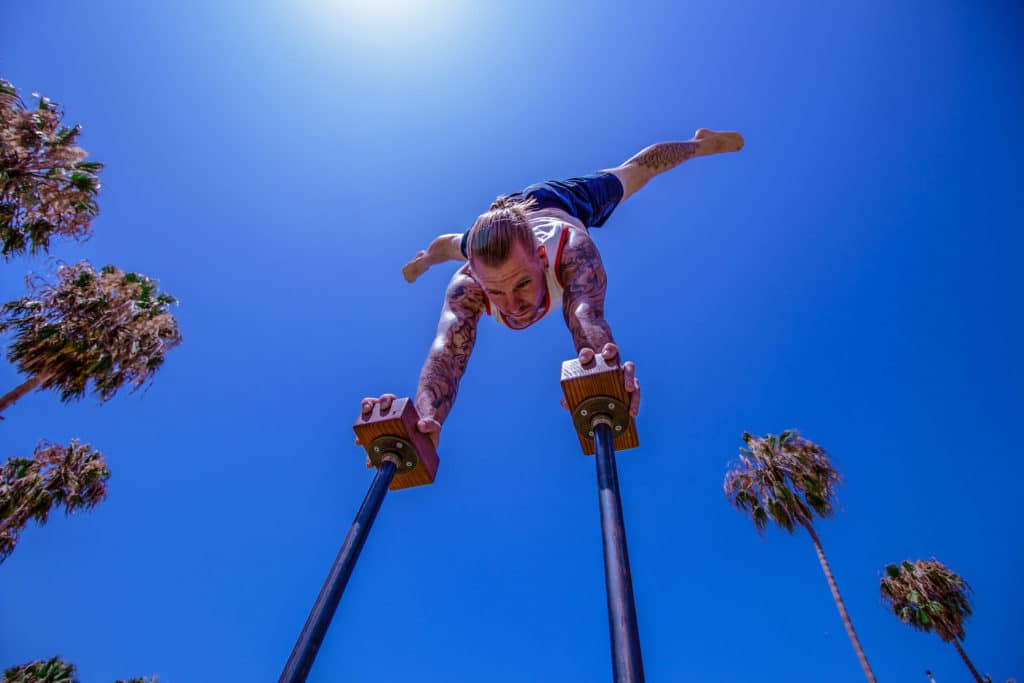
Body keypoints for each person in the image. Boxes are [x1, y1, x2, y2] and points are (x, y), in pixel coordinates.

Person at [361, 129, 744, 445]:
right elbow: (447, 353)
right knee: (447, 245)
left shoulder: (571, 249)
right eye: (496, 292)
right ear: (478, 280)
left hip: (560, 201)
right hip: (496, 221)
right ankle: (423, 257)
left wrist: (603, 367)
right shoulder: (468, 280)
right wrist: (425, 421)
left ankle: (699, 144)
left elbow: (585, 312)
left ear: (543, 261)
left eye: (523, 284)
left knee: (636, 172)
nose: (513, 305)